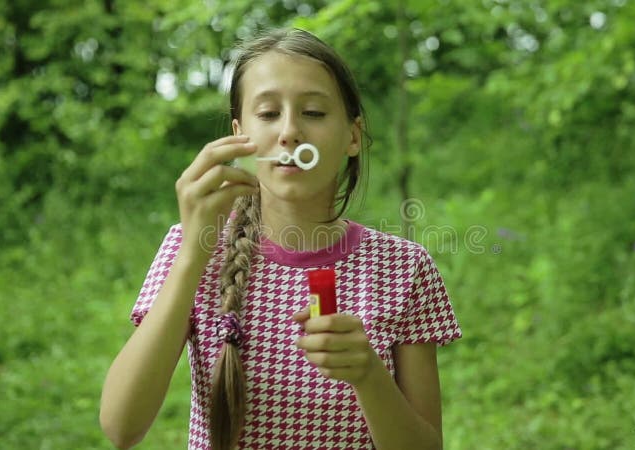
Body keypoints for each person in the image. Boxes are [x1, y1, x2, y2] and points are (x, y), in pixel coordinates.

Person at [99, 28, 461, 450]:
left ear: (352, 137)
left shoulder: (404, 268)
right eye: (269, 114)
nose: (289, 131)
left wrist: (369, 377)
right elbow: (122, 428)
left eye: (314, 113)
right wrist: (191, 256)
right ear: (239, 135)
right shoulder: (192, 245)